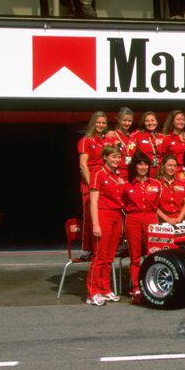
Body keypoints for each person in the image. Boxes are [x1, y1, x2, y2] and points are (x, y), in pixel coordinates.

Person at [86, 146, 126, 306]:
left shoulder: (118, 175)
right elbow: (93, 201)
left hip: (116, 215)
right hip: (103, 214)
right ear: (105, 157)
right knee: (99, 256)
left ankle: (104, 288)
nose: (116, 160)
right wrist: (95, 223)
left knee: (109, 256)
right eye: (113, 157)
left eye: (118, 157)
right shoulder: (98, 174)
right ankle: (92, 292)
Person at [122, 154, 160, 300]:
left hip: (151, 218)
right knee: (135, 256)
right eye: (140, 164)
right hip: (133, 219)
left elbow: (158, 204)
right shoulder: (127, 185)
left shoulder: (156, 184)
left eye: (146, 164)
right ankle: (137, 288)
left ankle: (153, 284)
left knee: (153, 254)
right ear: (135, 166)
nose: (143, 167)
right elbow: (123, 203)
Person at [78, 111, 109, 256]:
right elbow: (83, 165)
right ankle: (91, 250)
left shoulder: (105, 141)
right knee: (91, 216)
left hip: (104, 182)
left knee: (104, 215)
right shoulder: (86, 140)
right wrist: (92, 185)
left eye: (103, 123)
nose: (101, 125)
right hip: (91, 182)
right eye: (98, 122)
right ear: (92, 123)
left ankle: (103, 247)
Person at [155, 154, 185, 225]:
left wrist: (179, 218)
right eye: (169, 165)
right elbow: (154, 206)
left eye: (174, 166)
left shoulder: (183, 183)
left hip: (180, 220)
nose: (172, 168)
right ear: (163, 166)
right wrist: (167, 219)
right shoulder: (156, 184)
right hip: (162, 221)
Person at [106, 107, 137, 178]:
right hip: (115, 173)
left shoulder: (132, 138)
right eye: (124, 120)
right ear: (119, 120)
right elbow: (105, 157)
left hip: (130, 173)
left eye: (129, 121)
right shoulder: (111, 136)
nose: (127, 123)